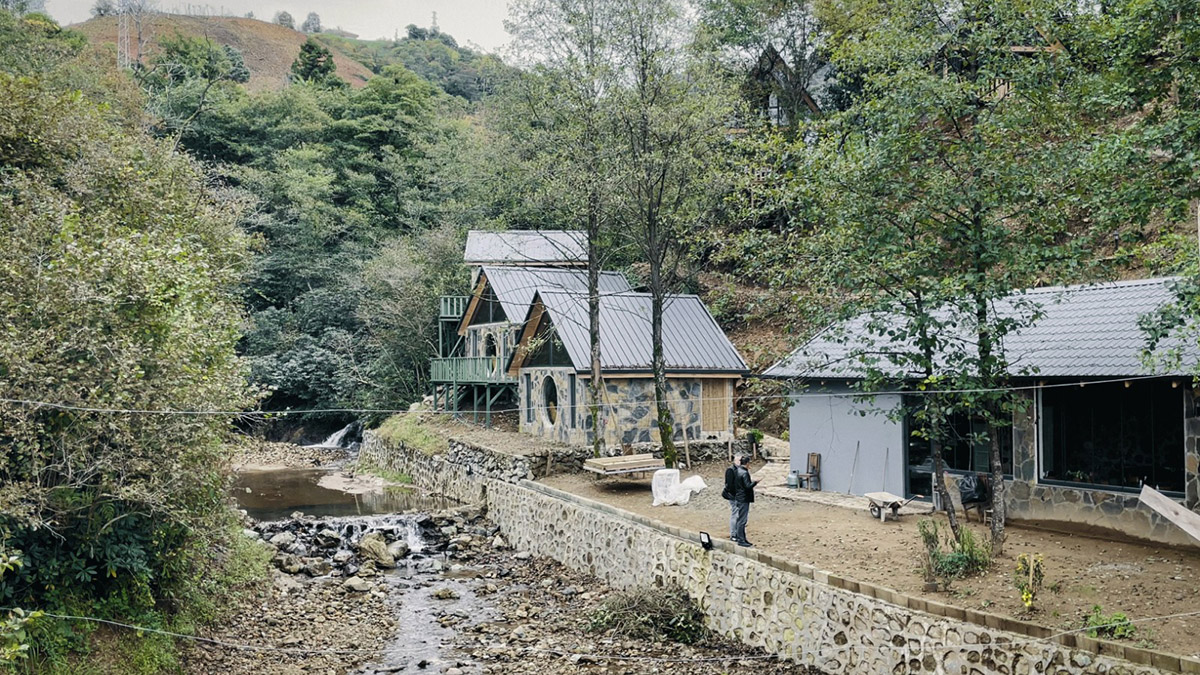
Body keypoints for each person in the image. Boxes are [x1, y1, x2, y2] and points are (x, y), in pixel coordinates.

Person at [722, 454, 759, 547]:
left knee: (739, 518)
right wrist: (755, 482)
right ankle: (738, 537)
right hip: (739, 497)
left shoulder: (737, 471)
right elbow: (746, 486)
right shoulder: (740, 472)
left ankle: (740, 537)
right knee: (740, 518)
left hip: (738, 497)